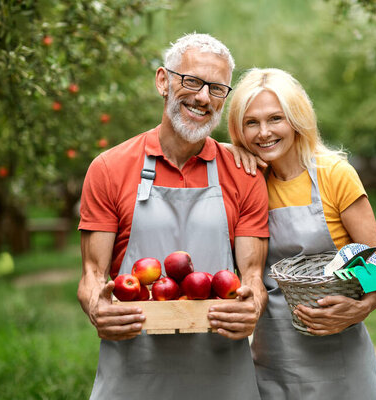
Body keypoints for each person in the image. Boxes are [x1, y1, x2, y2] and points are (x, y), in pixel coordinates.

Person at [77, 34, 269, 400]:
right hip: (134, 370)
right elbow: (91, 275)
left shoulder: (243, 174)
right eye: (192, 81)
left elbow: (254, 277)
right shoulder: (109, 168)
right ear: (163, 81)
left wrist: (252, 306)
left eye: (216, 89)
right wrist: (96, 307)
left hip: (222, 374)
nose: (202, 97)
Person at [226, 68, 376, 400]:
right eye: (251, 123)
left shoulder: (334, 175)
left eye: (276, 118)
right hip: (273, 359)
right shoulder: (247, 182)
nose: (264, 133)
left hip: (340, 355)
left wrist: (360, 309)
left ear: (296, 120)